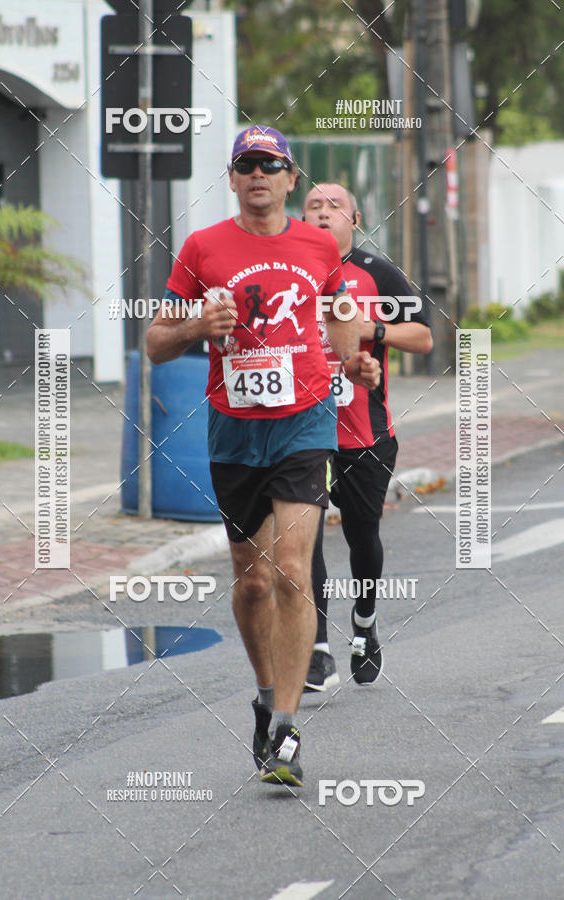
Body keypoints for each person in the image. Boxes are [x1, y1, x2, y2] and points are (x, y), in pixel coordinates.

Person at [146, 129, 381, 787]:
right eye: (245, 165)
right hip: (233, 432)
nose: (257, 174)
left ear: (290, 178)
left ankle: (285, 728)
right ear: (232, 178)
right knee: (251, 582)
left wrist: (352, 363)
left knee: (291, 572)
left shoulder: (316, 245)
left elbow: (335, 315)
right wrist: (197, 328)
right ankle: (263, 693)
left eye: (268, 165)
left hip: (305, 423)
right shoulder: (202, 249)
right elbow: (155, 343)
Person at [302, 183, 433, 691]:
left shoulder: (377, 273)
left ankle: (363, 622)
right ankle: (315, 647)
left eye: (333, 207)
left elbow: (423, 337)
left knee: (362, 535)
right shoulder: (289, 273)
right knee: (303, 535)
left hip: (365, 433)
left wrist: (372, 331)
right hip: (303, 431)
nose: (322, 214)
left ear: (353, 220)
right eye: (312, 206)